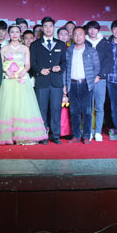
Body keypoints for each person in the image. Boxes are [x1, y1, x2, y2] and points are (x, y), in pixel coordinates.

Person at [0, 25, 48, 145]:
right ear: (9, 34)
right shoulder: (4, 49)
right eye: (12, 32)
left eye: (17, 32)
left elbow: (27, 64)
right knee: (8, 105)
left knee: (23, 106)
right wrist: (7, 71)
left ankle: (23, 135)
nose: (15, 34)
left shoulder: (25, 49)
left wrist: (24, 71)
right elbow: (0, 64)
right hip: (9, 79)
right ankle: (9, 135)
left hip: (22, 79)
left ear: (20, 34)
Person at [30, 16, 67, 144]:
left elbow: (64, 61)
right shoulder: (35, 44)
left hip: (56, 82)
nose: (48, 29)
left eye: (50, 26)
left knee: (56, 109)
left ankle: (55, 135)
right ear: (42, 28)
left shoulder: (61, 44)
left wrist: (60, 67)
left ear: (54, 27)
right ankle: (42, 135)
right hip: (42, 81)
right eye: (45, 26)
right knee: (42, 109)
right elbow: (32, 62)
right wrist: (39, 70)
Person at [63, 26, 100, 144]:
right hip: (72, 84)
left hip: (86, 84)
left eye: (80, 34)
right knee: (74, 111)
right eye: (75, 34)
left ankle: (87, 136)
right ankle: (76, 135)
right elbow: (65, 69)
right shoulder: (68, 51)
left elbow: (96, 67)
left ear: (85, 36)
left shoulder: (91, 51)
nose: (78, 37)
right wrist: (65, 85)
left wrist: (91, 79)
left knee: (87, 111)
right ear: (72, 36)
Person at [85, 21, 112, 142]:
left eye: (95, 29)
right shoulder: (84, 42)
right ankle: (89, 131)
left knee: (99, 106)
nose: (92, 31)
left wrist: (100, 75)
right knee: (88, 107)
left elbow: (109, 61)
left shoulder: (105, 43)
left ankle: (98, 132)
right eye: (90, 28)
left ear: (98, 30)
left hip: (101, 80)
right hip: (87, 79)